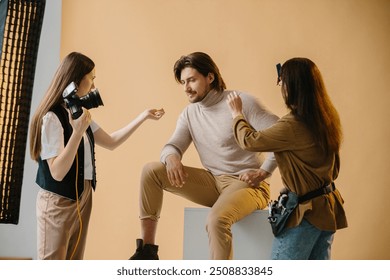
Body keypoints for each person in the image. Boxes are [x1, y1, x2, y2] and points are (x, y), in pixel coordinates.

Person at [129, 52, 279, 260]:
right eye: (183, 82)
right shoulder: (190, 113)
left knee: (216, 220)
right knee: (151, 171)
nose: (186, 88)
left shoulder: (241, 102)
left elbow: (282, 138)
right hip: (213, 183)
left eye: (191, 80)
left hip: (247, 185)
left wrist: (264, 172)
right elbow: (172, 145)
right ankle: (147, 252)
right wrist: (171, 156)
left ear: (210, 77)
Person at [29, 52, 165, 260]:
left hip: (83, 196)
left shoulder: (78, 113)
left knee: (74, 262)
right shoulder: (52, 117)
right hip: (58, 200)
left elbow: (112, 141)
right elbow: (57, 172)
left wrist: (143, 116)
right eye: (91, 78)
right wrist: (76, 132)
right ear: (75, 80)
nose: (93, 86)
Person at [226, 57, 348, 260]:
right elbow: (332, 169)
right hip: (327, 209)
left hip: (305, 215)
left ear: (293, 86)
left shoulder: (293, 124)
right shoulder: (326, 118)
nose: (280, 85)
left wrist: (237, 114)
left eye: (282, 81)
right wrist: (264, 172)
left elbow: (250, 141)